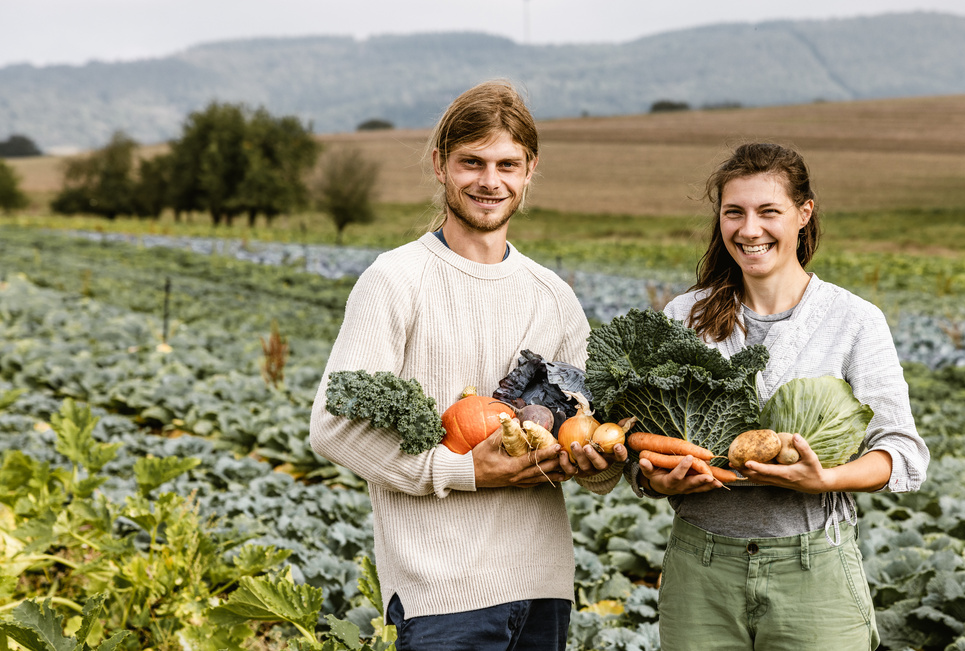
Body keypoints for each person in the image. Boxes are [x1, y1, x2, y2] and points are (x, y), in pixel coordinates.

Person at [309, 80, 627, 651]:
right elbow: (332, 428)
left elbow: (593, 456)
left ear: (529, 170)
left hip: (544, 586)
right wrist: (464, 471)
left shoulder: (553, 295)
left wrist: (600, 459)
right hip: (441, 597)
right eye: (471, 162)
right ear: (439, 164)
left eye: (507, 164)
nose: (490, 181)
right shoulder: (394, 281)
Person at [628, 142, 929, 650]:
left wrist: (824, 479)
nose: (749, 230)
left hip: (812, 569)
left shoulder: (852, 320)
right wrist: (658, 479)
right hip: (700, 569)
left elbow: (901, 452)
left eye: (769, 211)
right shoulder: (683, 316)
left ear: (803, 214)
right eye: (734, 213)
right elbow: (641, 444)